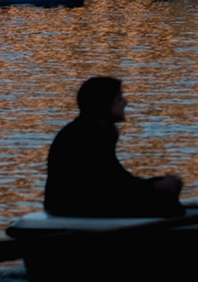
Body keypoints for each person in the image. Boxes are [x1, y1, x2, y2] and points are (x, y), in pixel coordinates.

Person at [45, 76, 184, 218]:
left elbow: (115, 177)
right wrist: (155, 186)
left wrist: (156, 184)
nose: (125, 102)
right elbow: (108, 182)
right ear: (104, 104)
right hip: (70, 204)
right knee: (168, 205)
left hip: (93, 196)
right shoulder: (81, 136)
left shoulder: (105, 131)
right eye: (119, 98)